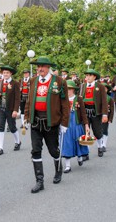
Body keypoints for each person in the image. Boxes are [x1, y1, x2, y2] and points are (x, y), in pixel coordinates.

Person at [25, 56, 69, 193]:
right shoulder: (33, 81)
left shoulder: (59, 82)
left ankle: (58, 170)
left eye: (42, 66)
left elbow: (65, 104)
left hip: (52, 122)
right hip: (36, 122)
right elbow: (29, 101)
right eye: (38, 67)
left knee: (53, 150)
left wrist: (64, 123)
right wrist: (26, 117)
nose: (39, 69)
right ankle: (39, 181)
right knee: (35, 150)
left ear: (48, 67)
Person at [78, 69, 108, 157]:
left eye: (89, 75)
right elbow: (79, 98)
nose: (87, 77)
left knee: (97, 132)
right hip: (85, 111)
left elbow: (104, 101)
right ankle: (86, 152)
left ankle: (99, 146)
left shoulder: (100, 86)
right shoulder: (82, 86)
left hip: (95, 112)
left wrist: (105, 114)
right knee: (85, 132)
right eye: (86, 75)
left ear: (94, 77)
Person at [61, 80, 89, 172]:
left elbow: (83, 113)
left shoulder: (79, 99)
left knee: (78, 141)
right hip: (66, 124)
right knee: (67, 143)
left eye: (69, 89)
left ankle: (80, 156)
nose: (67, 91)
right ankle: (68, 165)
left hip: (76, 123)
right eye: (66, 89)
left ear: (73, 90)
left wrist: (86, 125)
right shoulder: (62, 99)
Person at [0, 65, 21, 155]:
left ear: (10, 74)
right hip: (1, 108)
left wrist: (15, 110)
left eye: (7, 73)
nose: (5, 74)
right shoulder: (0, 82)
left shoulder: (15, 83)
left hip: (10, 109)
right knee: (0, 127)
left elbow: (17, 98)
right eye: (4, 73)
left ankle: (18, 142)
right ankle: (0, 148)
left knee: (12, 128)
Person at [100, 82, 114, 152]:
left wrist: (110, 118)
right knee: (99, 131)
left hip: (106, 116)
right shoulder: (97, 98)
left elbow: (112, 109)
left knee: (104, 130)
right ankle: (100, 144)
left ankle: (104, 145)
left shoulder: (109, 99)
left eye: (105, 88)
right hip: (98, 116)